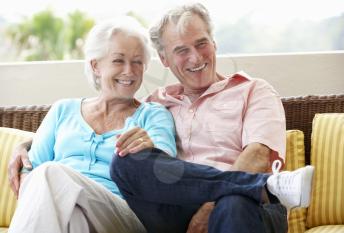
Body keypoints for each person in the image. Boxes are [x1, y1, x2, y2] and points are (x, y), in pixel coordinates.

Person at [8, 3, 314, 233]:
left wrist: (211, 204)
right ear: (165, 60)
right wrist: (26, 145)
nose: (195, 57)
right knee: (126, 161)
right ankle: (264, 184)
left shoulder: (253, 91)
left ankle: (259, 188)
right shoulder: (160, 102)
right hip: (174, 213)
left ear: (215, 42)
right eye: (181, 50)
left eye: (201, 43)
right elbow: (148, 167)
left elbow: (259, 154)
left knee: (231, 203)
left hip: (244, 207)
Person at [7, 17, 177, 233]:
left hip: (123, 214)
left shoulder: (153, 115)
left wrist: (151, 151)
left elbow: (167, 171)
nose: (129, 70)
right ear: (96, 66)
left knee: (51, 173)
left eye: (137, 62)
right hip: (68, 214)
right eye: (118, 60)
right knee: (74, 218)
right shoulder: (63, 110)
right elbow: (31, 171)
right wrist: (24, 147)